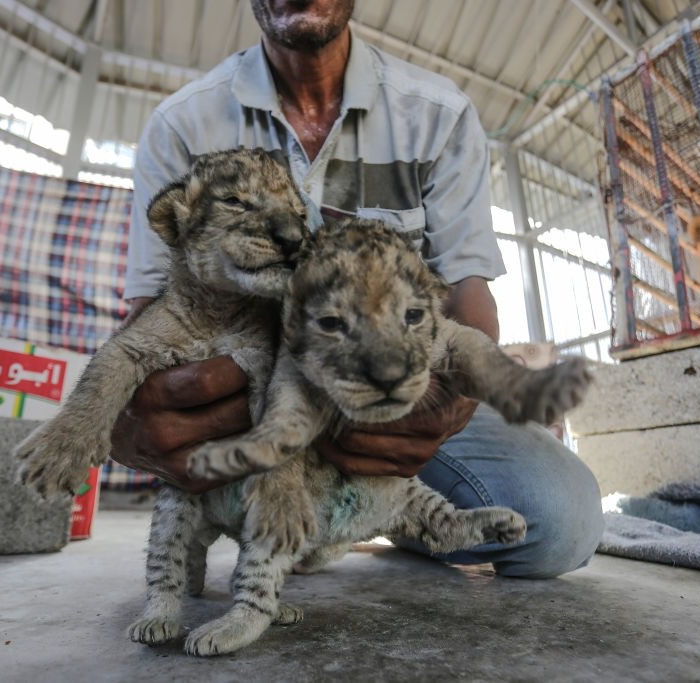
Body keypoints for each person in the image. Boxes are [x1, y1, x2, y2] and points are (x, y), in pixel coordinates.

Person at [112, 0, 604, 578]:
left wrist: (448, 407)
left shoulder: (437, 115)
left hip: (393, 388)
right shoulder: (182, 124)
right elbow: (153, 310)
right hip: (255, 395)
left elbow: (468, 289)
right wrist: (138, 412)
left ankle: (378, 516)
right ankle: (319, 514)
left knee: (557, 525)